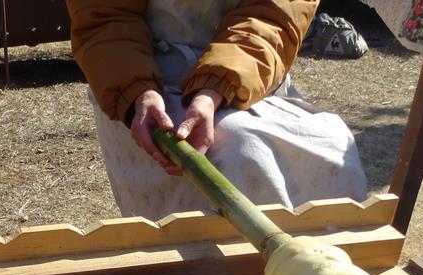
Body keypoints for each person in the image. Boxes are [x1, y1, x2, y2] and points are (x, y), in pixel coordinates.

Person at [65, 0, 368, 221]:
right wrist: (138, 93)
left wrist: (214, 89)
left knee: (334, 145)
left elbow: (273, 15)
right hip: (146, 80)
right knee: (242, 150)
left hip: (248, 74)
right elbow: (103, 19)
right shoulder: (137, 86)